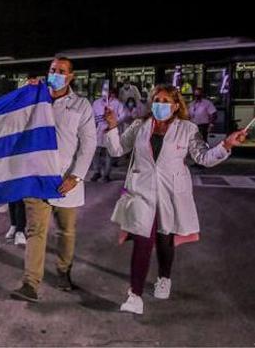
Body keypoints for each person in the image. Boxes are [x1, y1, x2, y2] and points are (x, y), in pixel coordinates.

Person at [103, 84, 247, 315]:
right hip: (142, 191)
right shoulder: (140, 126)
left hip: (171, 193)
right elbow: (117, 150)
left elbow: (203, 157)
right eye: (156, 100)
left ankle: (164, 277)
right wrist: (111, 127)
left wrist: (227, 144)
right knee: (142, 240)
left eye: (165, 101)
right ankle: (135, 295)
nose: (159, 104)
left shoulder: (187, 129)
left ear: (176, 105)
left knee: (165, 240)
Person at [10, 57, 97, 303]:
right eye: (52, 70)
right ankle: (30, 284)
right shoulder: (36, 98)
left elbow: (88, 144)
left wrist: (76, 176)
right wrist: (25, 91)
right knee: (35, 231)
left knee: (66, 232)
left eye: (61, 71)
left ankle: (63, 271)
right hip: (37, 177)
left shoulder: (81, 106)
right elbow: (14, 118)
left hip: (66, 180)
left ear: (71, 77)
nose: (55, 74)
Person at [91, 88, 124, 182]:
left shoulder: (117, 104)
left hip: (111, 130)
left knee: (109, 153)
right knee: (95, 152)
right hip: (99, 131)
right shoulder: (96, 103)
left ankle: (106, 174)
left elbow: (123, 116)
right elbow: (92, 116)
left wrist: (113, 123)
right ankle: (96, 171)